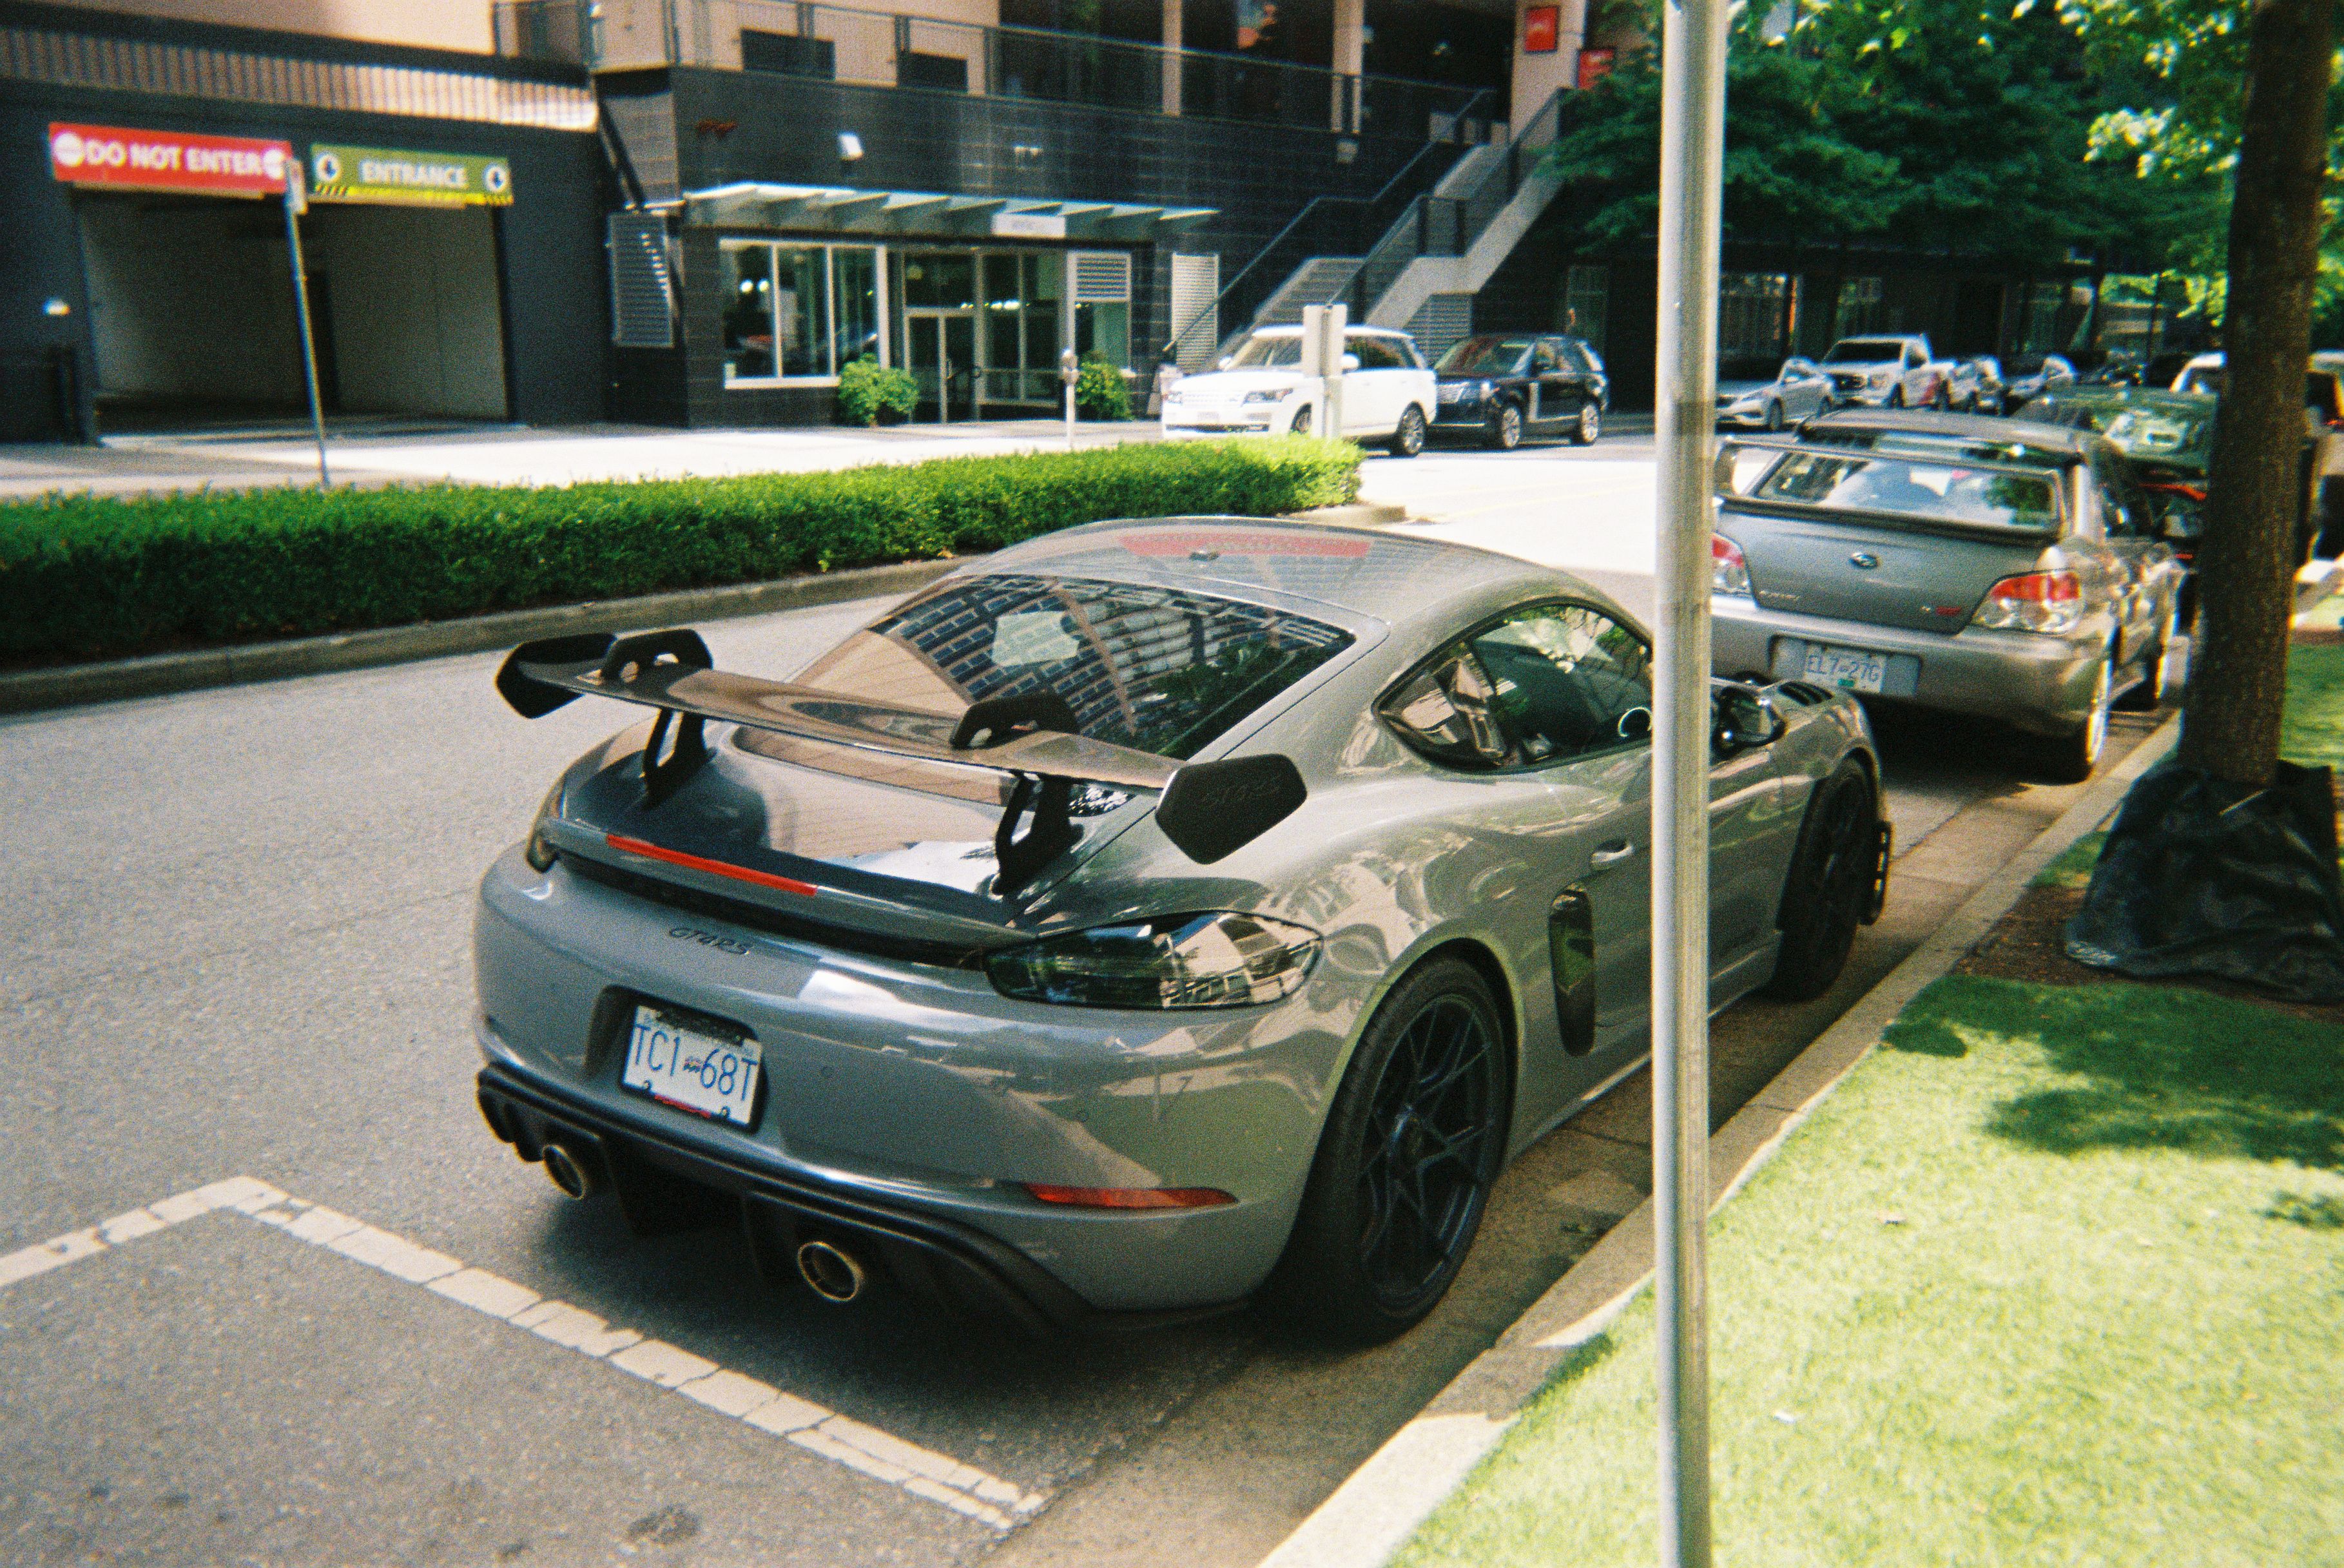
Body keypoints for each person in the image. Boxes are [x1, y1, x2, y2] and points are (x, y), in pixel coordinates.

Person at [1150, 347, 1183, 420]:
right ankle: (1165, 412)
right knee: (1166, 394)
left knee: (1171, 394)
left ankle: (1170, 411)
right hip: (1166, 375)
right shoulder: (1163, 367)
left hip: (1168, 374)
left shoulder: (1166, 367)